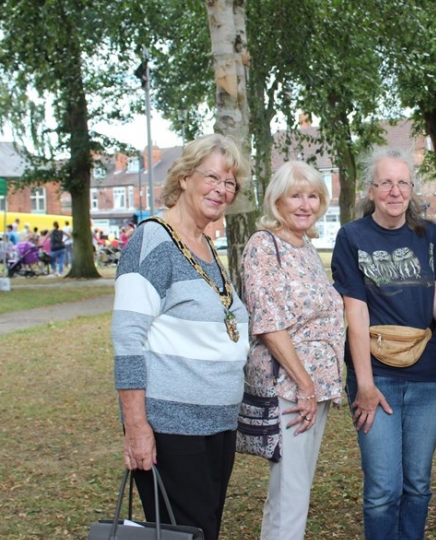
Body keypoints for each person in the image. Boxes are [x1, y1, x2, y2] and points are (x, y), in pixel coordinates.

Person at [111, 134, 251, 540]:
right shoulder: (153, 240)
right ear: (185, 177)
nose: (221, 190)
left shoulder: (205, 245)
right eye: (212, 177)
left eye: (230, 183)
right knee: (186, 532)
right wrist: (136, 427)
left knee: (201, 530)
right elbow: (127, 340)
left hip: (217, 423)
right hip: (172, 427)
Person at [331, 147, 436, 540]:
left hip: (428, 378)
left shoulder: (431, 236)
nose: (395, 191)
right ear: (372, 189)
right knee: (383, 490)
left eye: (403, 182)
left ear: (412, 189)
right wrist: (364, 385)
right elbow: (356, 314)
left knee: (418, 484)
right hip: (378, 378)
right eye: (386, 182)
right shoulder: (352, 237)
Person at [241, 161, 345, 540]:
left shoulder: (305, 247)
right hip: (291, 388)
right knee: (292, 491)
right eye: (296, 195)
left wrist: (315, 386)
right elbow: (268, 322)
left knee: (292, 490)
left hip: (313, 389)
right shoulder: (264, 246)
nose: (305, 204)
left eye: (313, 195)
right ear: (276, 201)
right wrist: (304, 384)